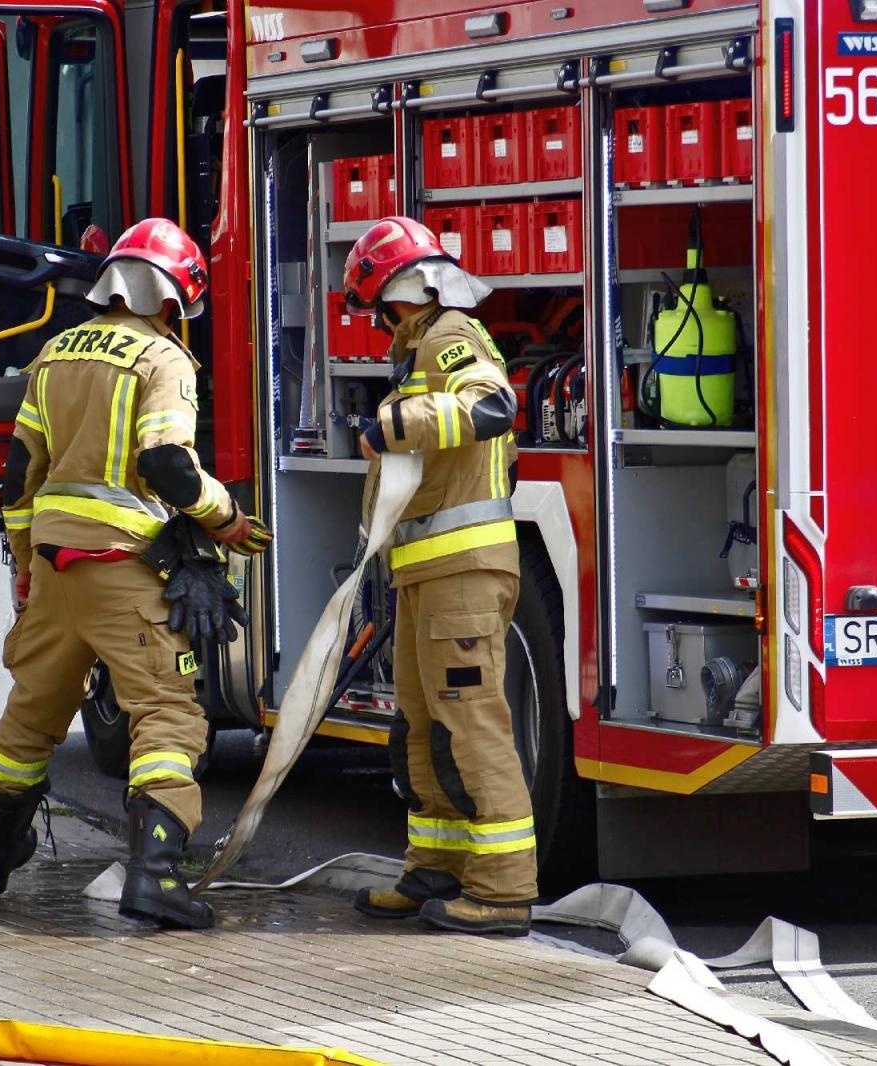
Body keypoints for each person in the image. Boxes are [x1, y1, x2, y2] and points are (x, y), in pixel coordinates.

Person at [0, 218, 269, 930]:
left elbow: (19, 475)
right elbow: (166, 464)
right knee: (168, 716)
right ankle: (155, 878)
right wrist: (224, 514)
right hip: (124, 567)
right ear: (172, 300)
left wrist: (23, 565)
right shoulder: (162, 360)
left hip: (53, 566)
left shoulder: (55, 352)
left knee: (30, 718)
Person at [343, 216, 536, 936]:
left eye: (379, 308)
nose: (379, 324)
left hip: (463, 570)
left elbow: (490, 405)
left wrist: (392, 426)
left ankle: (502, 889)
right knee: (423, 727)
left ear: (399, 292)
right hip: (428, 572)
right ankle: (438, 866)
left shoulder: (451, 334)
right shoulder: (424, 343)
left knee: (470, 723)